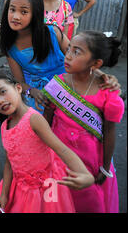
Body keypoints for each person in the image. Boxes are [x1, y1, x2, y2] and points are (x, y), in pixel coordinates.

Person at [0, 0, 120, 176]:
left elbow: (80, 57)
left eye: (24, 11)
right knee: (10, 114)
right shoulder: (9, 45)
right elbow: (20, 82)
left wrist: (102, 75)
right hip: (38, 94)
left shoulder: (53, 32)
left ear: (36, 13)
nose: (16, 16)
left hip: (68, 89)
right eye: (12, 9)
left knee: (69, 132)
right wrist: (31, 91)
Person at [0, 72, 94, 213]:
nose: (0, 100)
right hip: (19, 189)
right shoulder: (5, 126)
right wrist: (4, 194)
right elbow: (9, 162)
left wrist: (84, 173)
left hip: (47, 188)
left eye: (3, 92)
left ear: (18, 88)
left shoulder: (33, 119)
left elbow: (61, 149)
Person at [43, 31, 124, 212]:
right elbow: (45, 121)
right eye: (69, 48)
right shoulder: (58, 83)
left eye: (77, 52)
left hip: (89, 161)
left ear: (96, 63)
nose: (68, 55)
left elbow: (109, 132)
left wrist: (104, 167)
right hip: (56, 156)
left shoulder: (108, 94)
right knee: (55, 200)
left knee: (84, 201)